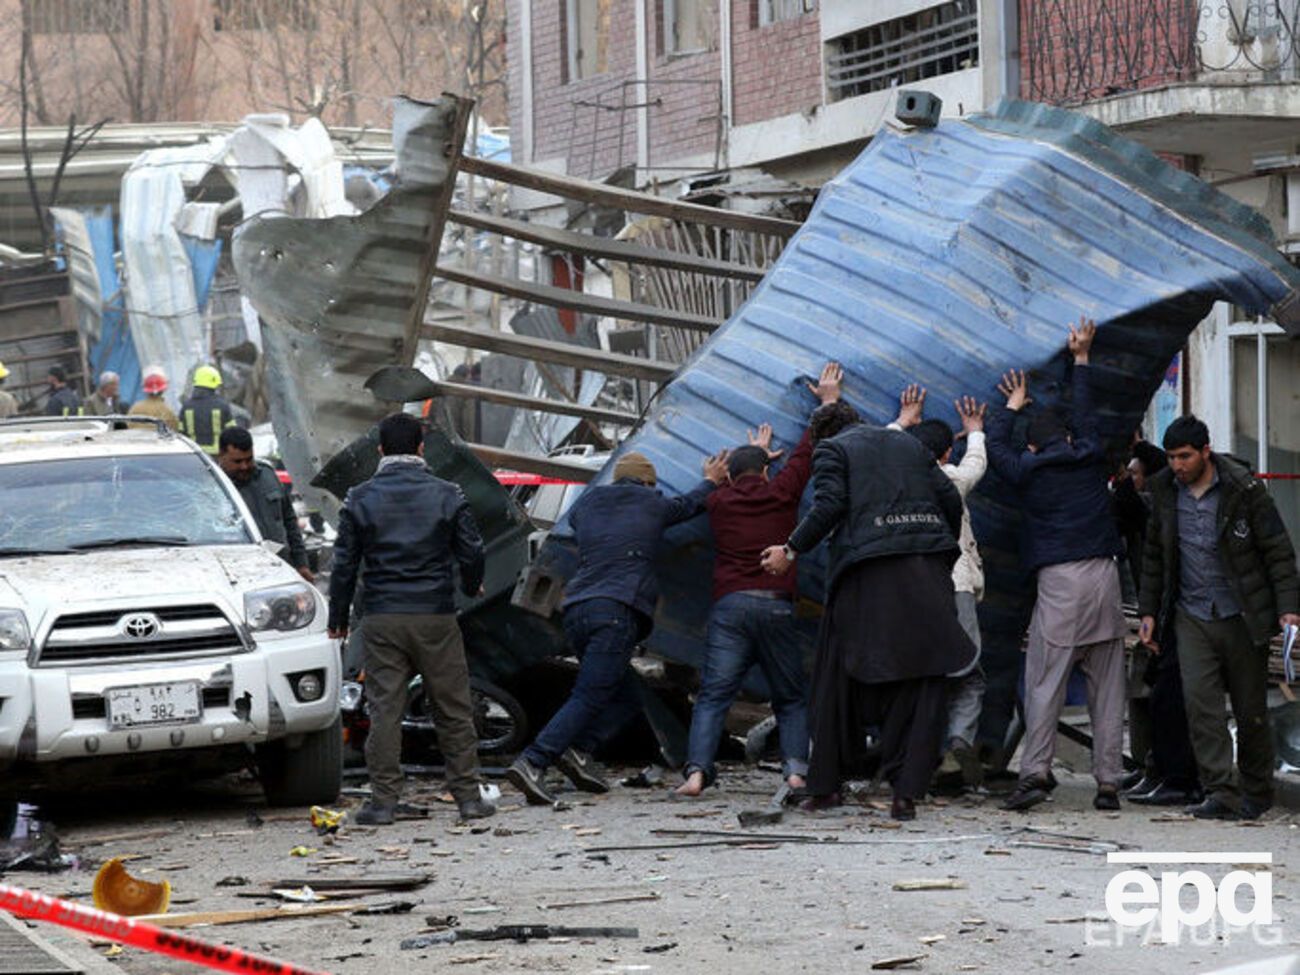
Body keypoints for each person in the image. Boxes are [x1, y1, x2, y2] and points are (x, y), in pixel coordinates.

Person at [760, 400, 973, 821]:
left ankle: (826, 787)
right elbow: (950, 499)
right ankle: (905, 794)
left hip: (867, 573)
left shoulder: (832, 449)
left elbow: (829, 505)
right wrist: (938, 553)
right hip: (927, 568)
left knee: (836, 674)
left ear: (823, 434)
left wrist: (790, 549)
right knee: (921, 680)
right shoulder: (909, 446)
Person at [507, 447, 731, 805]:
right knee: (590, 693)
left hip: (577, 609)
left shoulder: (587, 503)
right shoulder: (651, 503)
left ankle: (579, 751)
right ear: (647, 482)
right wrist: (711, 480)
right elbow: (690, 505)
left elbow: (583, 530)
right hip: (616, 610)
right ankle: (534, 760)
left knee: (627, 695)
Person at [676, 362, 844, 799]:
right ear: (768, 470)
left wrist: (730, 470)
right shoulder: (781, 491)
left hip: (730, 606)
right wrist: (827, 402)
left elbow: (715, 486)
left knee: (714, 696)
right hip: (775, 603)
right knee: (789, 697)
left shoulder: (717, 501)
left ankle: (695, 775)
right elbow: (806, 453)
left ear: (730, 477)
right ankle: (794, 773)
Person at [986, 318, 1128, 813]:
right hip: (1105, 576)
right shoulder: (1088, 455)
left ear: (1033, 445)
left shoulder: (1028, 470)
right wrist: (1081, 358)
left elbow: (997, 454)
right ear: (1066, 438)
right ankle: (1109, 783)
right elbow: (1086, 414)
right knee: (1108, 686)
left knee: (1044, 680)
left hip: (1061, 581)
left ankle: (1035, 774)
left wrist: (1009, 406)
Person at [327, 412, 494, 824]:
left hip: (383, 618)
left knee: (385, 710)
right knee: (453, 708)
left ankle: (383, 802)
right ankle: (469, 799)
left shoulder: (359, 497)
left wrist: (339, 618)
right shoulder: (447, 493)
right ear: (422, 448)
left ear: (380, 450)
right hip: (435, 616)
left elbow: (344, 564)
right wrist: (472, 585)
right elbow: (472, 551)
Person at [1138, 415, 1300, 820]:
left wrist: (1288, 608)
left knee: (1250, 712)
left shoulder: (1244, 491)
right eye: (1172, 457)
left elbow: (1278, 552)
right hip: (1191, 615)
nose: (1177, 465)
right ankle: (1220, 792)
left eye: (1185, 456)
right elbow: (1155, 557)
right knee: (1201, 707)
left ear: (1205, 452)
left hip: (1242, 616)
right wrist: (1148, 612)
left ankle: (1257, 791)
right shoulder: (1164, 492)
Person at [892, 388, 990, 792]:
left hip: (912, 591)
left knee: (921, 675)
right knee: (968, 674)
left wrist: (902, 421)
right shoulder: (949, 479)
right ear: (946, 453)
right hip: (957, 587)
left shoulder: (896, 477)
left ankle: (911, 757)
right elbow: (975, 467)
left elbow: (879, 445)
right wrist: (977, 431)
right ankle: (958, 743)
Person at [216, 427, 314, 584]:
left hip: (281, 569)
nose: (244, 466)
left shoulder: (267, 476)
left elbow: (289, 521)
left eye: (249, 459)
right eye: (237, 461)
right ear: (221, 456)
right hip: (239, 577)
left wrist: (301, 564)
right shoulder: (214, 488)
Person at [181, 365, 234, 454]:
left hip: (196, 457)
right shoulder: (222, 406)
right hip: (218, 457)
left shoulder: (186, 407)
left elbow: (182, 434)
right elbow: (232, 433)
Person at [128, 366, 180, 431]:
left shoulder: (135, 409)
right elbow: (174, 432)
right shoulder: (168, 411)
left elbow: (128, 427)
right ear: (163, 390)